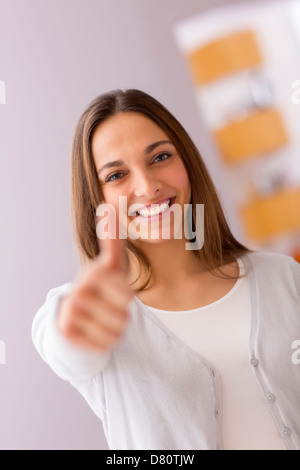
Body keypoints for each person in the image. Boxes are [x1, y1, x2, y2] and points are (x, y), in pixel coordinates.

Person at [32, 89, 300, 450]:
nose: (147, 186)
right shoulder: (92, 311)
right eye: (116, 176)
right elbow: (66, 346)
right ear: (96, 199)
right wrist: (73, 331)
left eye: (160, 156)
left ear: (187, 162)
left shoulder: (282, 276)